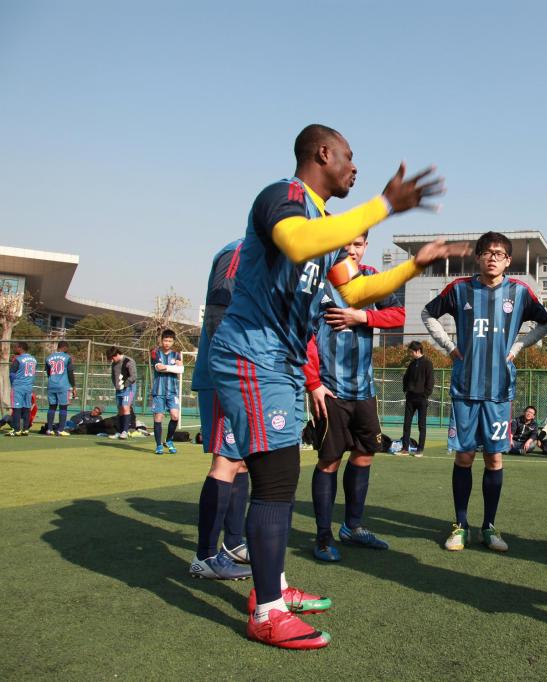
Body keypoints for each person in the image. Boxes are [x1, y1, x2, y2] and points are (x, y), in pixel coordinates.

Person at [207, 123, 457, 649]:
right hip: (251, 355)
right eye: (348, 156)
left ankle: (272, 588)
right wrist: (383, 205)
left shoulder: (325, 226)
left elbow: (357, 290)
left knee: (278, 478)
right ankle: (267, 612)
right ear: (323, 153)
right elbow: (296, 243)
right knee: (275, 478)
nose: (355, 167)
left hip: (278, 363)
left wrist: (414, 266)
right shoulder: (283, 198)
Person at [423, 231, 547, 553]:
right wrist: (449, 346)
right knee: (465, 456)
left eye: (499, 254)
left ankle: (489, 526)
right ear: (478, 257)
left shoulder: (519, 292)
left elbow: (546, 323)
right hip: (465, 388)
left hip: (499, 390)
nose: (493, 258)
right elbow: (427, 314)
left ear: (508, 261)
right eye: (487, 252)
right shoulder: (460, 289)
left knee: (494, 458)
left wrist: (518, 346)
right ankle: (460, 525)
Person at [304, 232, 405, 562]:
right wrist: (313, 383)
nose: (351, 250)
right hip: (329, 390)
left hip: (364, 390)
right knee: (329, 461)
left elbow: (399, 314)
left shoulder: (371, 278)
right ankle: (323, 537)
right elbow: (302, 334)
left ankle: (352, 527)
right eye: (344, 244)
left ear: (365, 247)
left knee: (365, 454)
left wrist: (362, 316)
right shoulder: (317, 281)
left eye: (357, 244)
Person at [189, 239, 252, 582]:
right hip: (226, 377)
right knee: (225, 461)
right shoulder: (239, 250)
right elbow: (217, 310)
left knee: (241, 461)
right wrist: (230, 372)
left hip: (245, 378)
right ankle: (205, 556)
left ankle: (233, 543)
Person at [150, 329, 184, 455]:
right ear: (161, 340)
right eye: (165, 340)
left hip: (172, 391)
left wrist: (169, 367)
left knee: (175, 416)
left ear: (173, 341)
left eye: (170, 341)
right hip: (158, 391)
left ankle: (169, 440)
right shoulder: (155, 352)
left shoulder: (177, 354)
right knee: (158, 417)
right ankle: (158, 445)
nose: (167, 343)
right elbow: (158, 368)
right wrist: (174, 367)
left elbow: (181, 370)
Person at [400, 340, 434, 456]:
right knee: (406, 424)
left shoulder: (428, 363)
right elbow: (406, 378)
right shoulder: (412, 364)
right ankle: (405, 448)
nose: (410, 354)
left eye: (411, 352)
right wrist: (406, 389)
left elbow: (430, 381)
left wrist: (425, 394)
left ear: (418, 351)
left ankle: (420, 450)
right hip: (410, 398)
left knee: (421, 425)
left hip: (422, 399)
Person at [44, 341, 76, 436]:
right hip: (63, 386)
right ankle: (60, 429)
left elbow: (48, 372)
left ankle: (49, 429)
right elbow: (70, 373)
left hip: (51, 385)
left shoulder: (49, 357)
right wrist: (74, 386)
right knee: (63, 407)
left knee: (52, 407)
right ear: (64, 347)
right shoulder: (67, 357)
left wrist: (53, 379)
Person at [6, 341, 37, 436]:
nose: (15, 349)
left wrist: (13, 384)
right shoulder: (33, 359)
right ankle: (25, 429)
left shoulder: (18, 359)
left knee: (16, 408)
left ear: (20, 348)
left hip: (18, 386)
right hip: (28, 387)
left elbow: (12, 374)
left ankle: (16, 430)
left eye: (16, 347)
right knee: (27, 407)